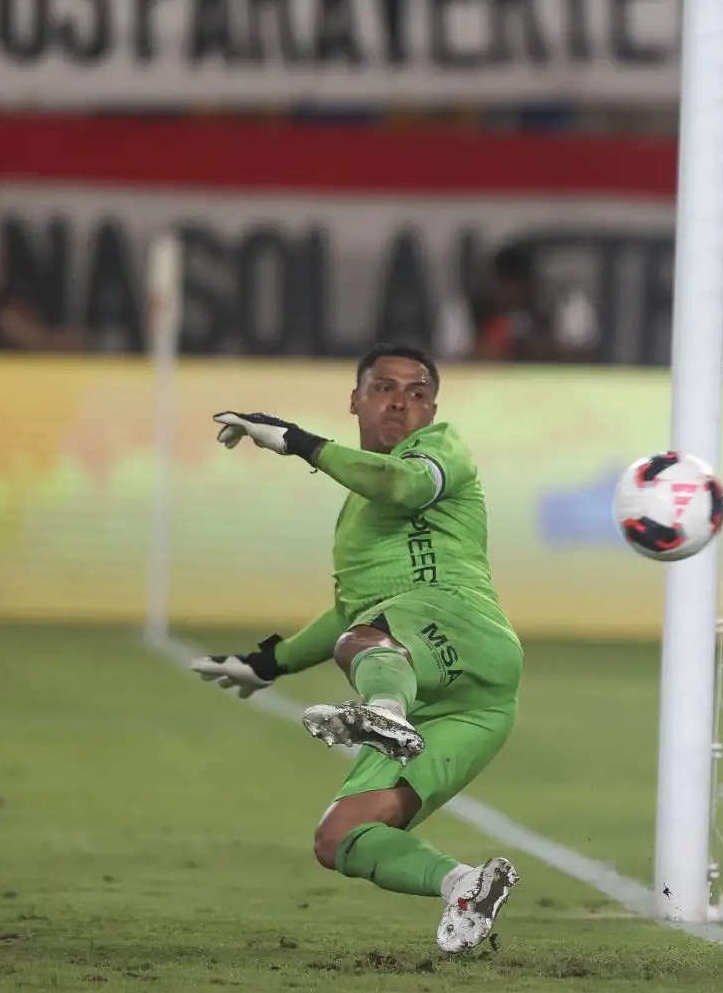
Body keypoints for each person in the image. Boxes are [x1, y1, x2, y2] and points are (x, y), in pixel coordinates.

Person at [188, 344, 522, 953]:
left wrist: (297, 442)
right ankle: (465, 885)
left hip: (465, 632)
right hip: (466, 707)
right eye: (384, 387)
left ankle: (385, 714)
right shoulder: (356, 517)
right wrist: (266, 663)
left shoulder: (441, 449)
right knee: (341, 835)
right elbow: (345, 616)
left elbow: (400, 484)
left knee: (369, 638)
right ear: (356, 400)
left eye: (417, 393)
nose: (400, 402)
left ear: (433, 410)